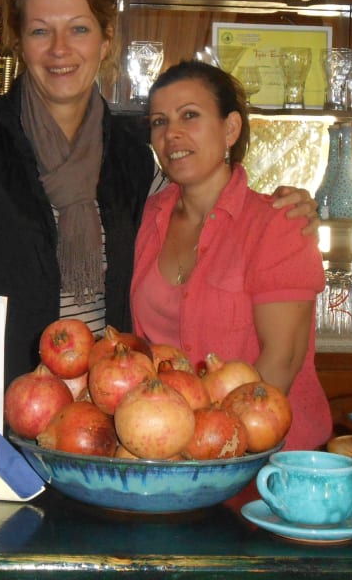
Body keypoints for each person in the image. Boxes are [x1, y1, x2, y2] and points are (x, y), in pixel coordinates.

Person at [0, 0, 318, 385]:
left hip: (107, 405)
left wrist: (284, 211)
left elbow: (202, 205)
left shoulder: (133, 153)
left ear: (106, 40)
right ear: (20, 44)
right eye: (40, 31)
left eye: (79, 29)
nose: (60, 49)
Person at [130, 60, 330, 451]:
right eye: (159, 122)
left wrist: (208, 446)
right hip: (168, 447)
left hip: (264, 460)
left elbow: (282, 362)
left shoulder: (279, 224)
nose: (172, 134)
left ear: (231, 129)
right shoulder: (148, 216)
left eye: (190, 115)